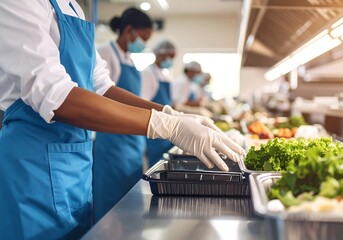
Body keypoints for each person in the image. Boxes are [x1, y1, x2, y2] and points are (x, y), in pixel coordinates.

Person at [0, 1, 245, 240]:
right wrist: (166, 126)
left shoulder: (73, 7)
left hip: (76, 165)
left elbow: (103, 87)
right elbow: (56, 95)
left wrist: (171, 114)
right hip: (35, 168)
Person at [93, 8, 153, 222]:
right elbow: (101, 99)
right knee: (109, 211)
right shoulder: (104, 54)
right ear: (129, 31)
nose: (143, 44)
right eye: (143, 39)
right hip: (112, 147)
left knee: (129, 212)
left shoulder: (129, 59)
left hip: (133, 145)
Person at [142, 40, 177, 167]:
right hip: (155, 128)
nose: (170, 61)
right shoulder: (148, 73)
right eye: (170, 57)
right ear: (160, 55)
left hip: (166, 127)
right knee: (156, 167)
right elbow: (143, 103)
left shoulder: (164, 74)